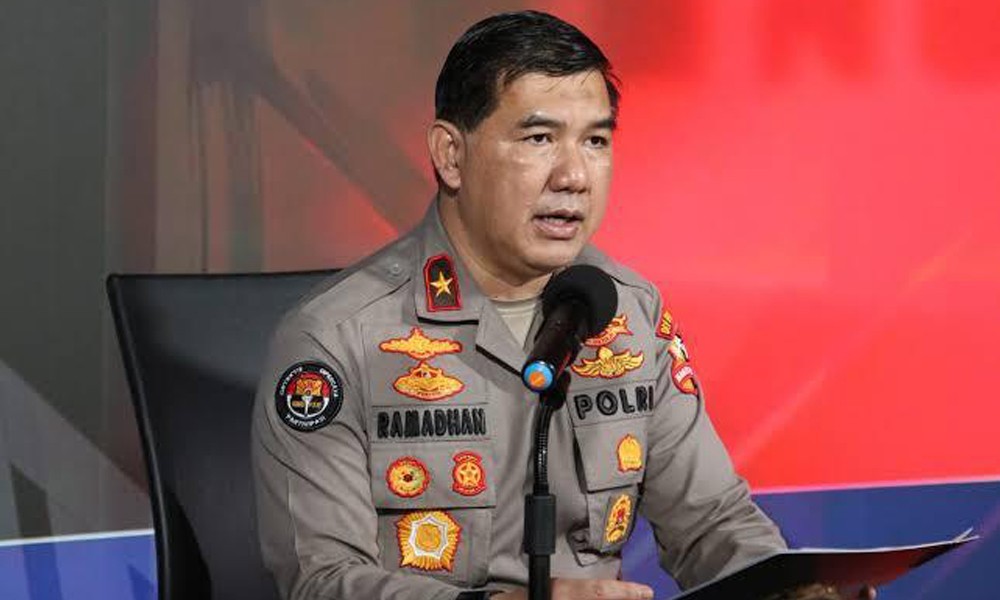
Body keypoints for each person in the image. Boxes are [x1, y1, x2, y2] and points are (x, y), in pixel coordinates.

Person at [252, 10, 789, 600]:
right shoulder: (336, 337)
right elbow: (321, 581)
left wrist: (795, 590)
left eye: (596, 141)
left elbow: (714, 525)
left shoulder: (629, 315)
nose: (575, 176)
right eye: (539, 139)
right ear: (451, 155)